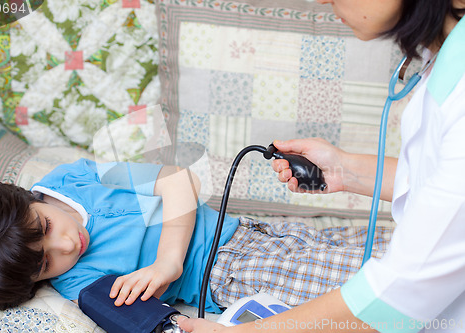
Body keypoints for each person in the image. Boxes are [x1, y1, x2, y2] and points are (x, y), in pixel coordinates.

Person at [179, 0, 465, 332]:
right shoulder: (445, 66)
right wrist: (343, 168)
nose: (322, 0)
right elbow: (441, 186)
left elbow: (402, 291)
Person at [0, 158, 391, 312]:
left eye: (46, 228)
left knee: (385, 247)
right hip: (232, 273)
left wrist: (167, 263)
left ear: (26, 198)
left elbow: (177, 181)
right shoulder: (76, 282)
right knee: (376, 293)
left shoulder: (70, 178)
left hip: (253, 230)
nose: (66, 246)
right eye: (45, 263)